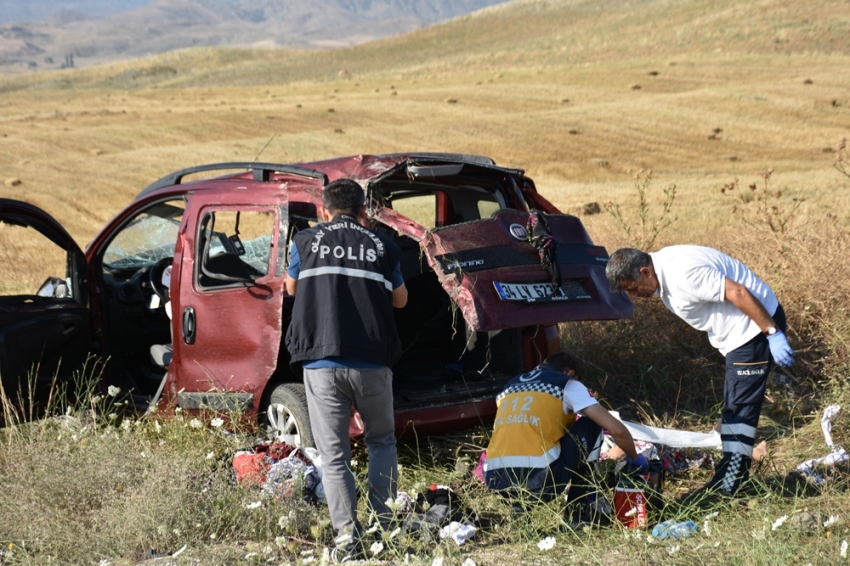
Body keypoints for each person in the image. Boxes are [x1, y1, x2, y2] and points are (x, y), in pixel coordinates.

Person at [605, 246, 795, 497]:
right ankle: (729, 475)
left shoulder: (681, 275)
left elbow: (737, 291)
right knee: (734, 406)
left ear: (644, 271)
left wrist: (772, 333)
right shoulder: (664, 269)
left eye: (631, 287)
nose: (633, 295)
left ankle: (729, 485)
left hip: (753, 332)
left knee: (739, 411)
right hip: (740, 337)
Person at [284, 179, 408, 559]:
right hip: (372, 361)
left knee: (334, 454)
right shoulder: (382, 244)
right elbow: (401, 301)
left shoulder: (305, 243)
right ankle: (384, 529)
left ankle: (347, 539)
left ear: (324, 211)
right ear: (363, 211)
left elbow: (290, 290)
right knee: (381, 442)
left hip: (322, 364)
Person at [483, 351, 646, 523]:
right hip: (541, 482)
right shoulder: (566, 384)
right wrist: (635, 458)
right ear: (570, 373)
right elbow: (617, 430)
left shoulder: (511, 385)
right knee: (592, 423)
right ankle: (578, 510)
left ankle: (520, 511)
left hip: (495, 481)